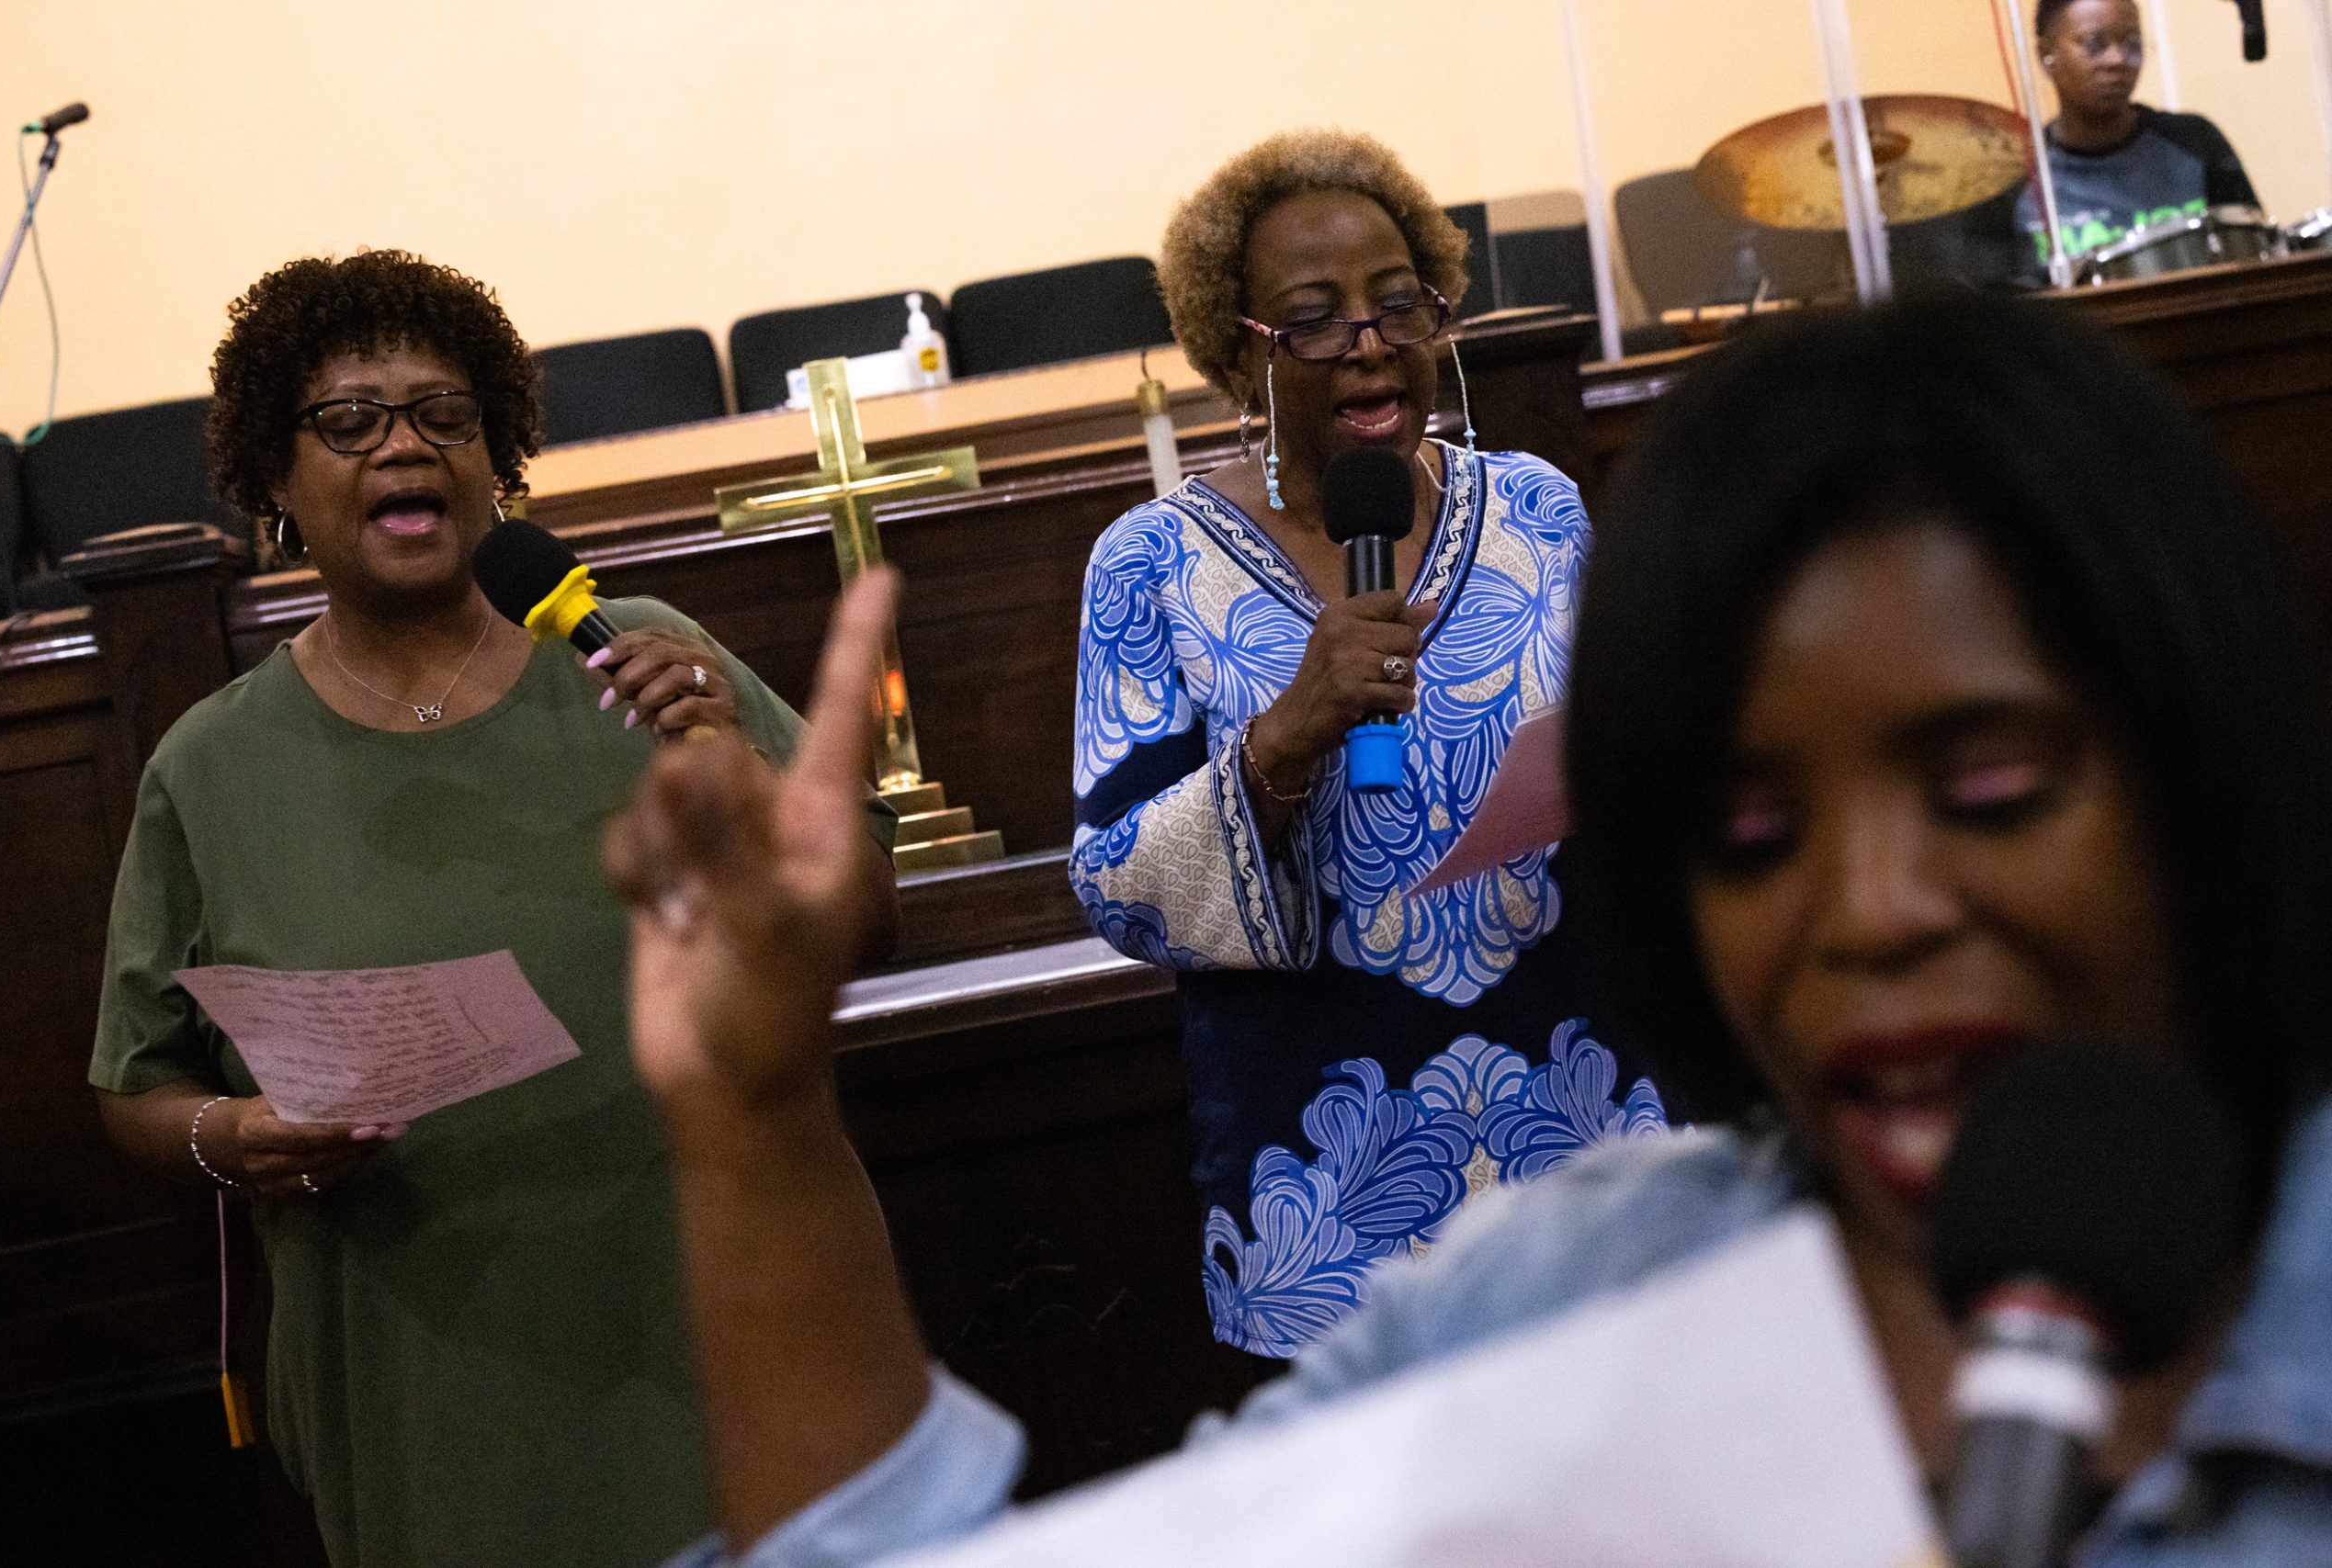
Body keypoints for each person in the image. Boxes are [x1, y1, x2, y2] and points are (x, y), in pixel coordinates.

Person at [618, 290, 2332, 1566]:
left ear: (2199, 763)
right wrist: (755, 1116)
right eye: (1751, 829)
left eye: (1991, 787)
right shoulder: (1570, 1302)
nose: (1869, 914)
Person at [86, 250, 896, 1568]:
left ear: (496, 452)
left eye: (443, 414)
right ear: (274, 483)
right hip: (424, 1367)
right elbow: (134, 1083)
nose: (403, 446)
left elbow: (866, 918)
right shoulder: (211, 764)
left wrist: (745, 784)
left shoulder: (639, 659)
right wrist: (229, 1134)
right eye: (349, 422)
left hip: (717, 1302)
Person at [1069, 129, 1663, 1358]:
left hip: (1585, 1123)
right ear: (1239, 346)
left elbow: (1635, 742)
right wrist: (1284, 736)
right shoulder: (1151, 563)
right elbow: (1118, 881)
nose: (1370, 341)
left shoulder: (1539, 507)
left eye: (1401, 303)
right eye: (1315, 317)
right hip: (1331, 1182)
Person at [2015, 0, 2259, 277]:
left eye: (2132, 44)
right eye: (2095, 44)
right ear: (2046, 56)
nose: (2117, 59)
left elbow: (2255, 249)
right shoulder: (2018, 176)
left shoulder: (2194, 141)